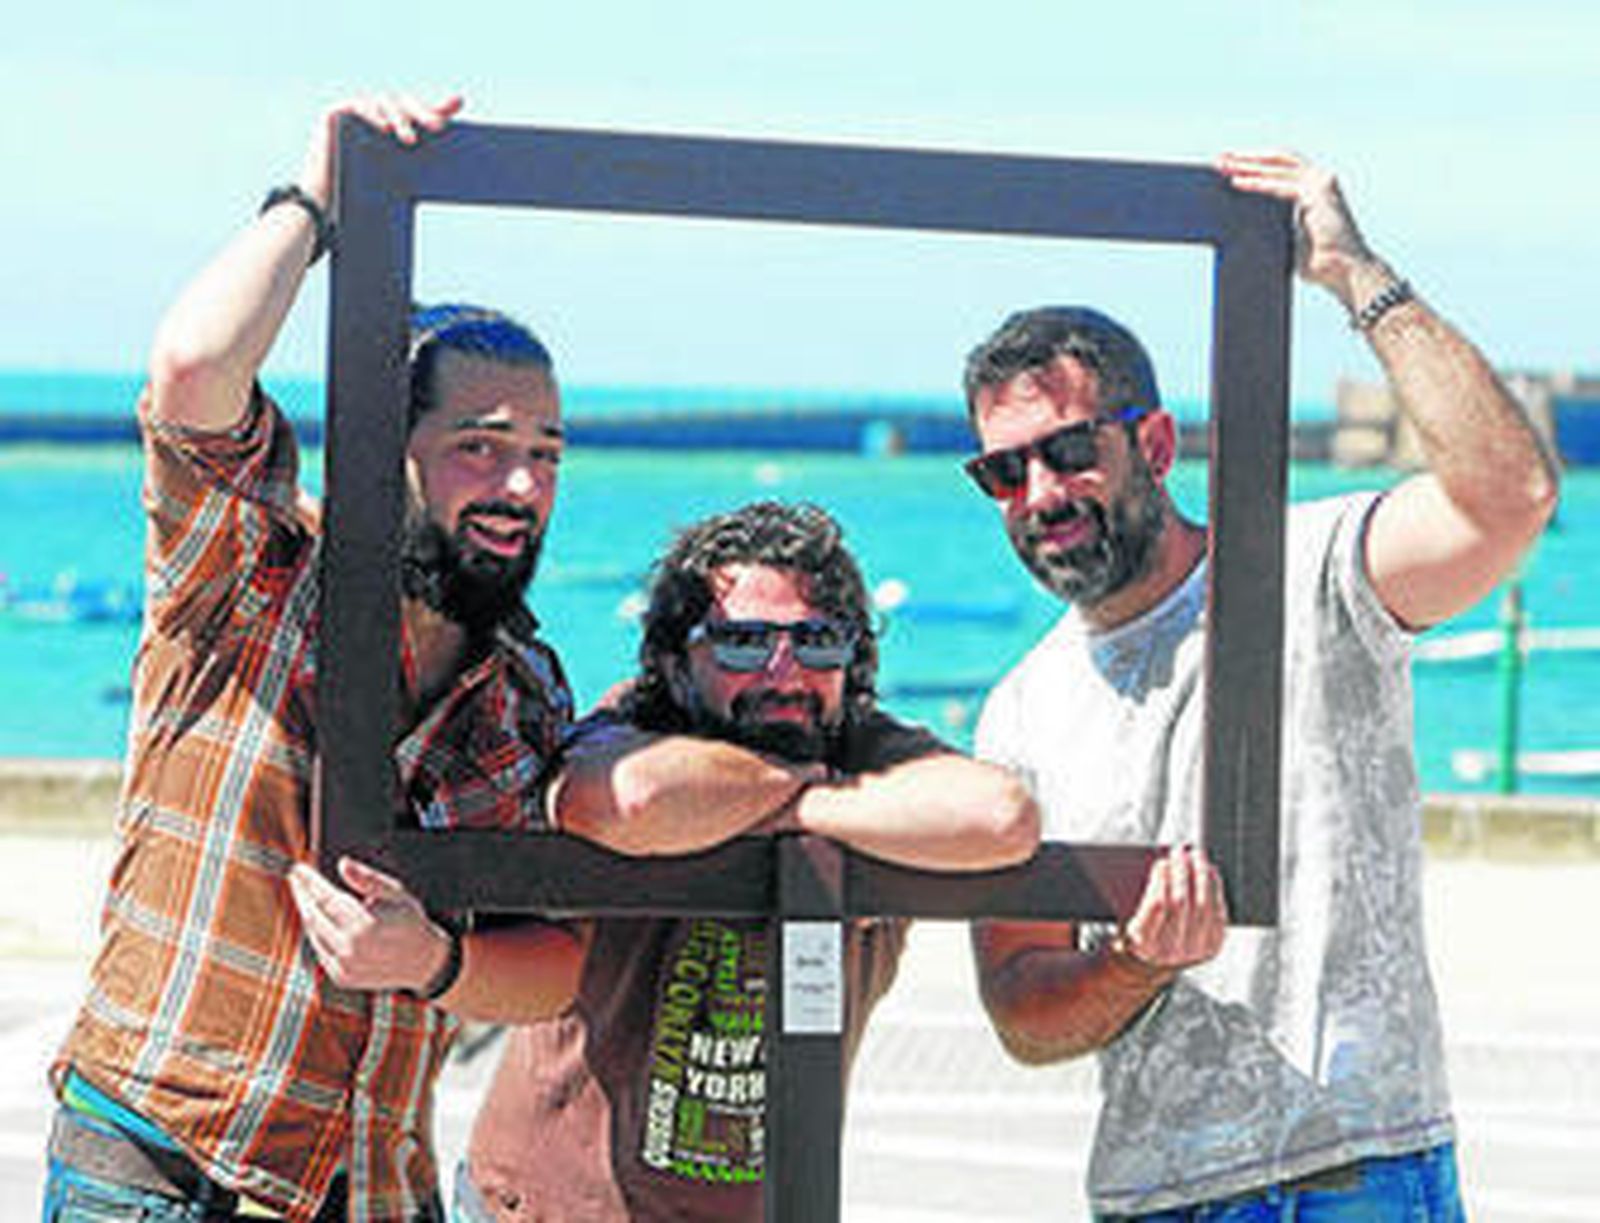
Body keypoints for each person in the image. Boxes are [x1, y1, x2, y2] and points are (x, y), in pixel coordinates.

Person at [964, 150, 1559, 1218]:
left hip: (1361, 1163)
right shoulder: (1019, 709)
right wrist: (1136, 964)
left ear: (1151, 440)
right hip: (1157, 1191)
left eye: (1065, 451)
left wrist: (1352, 275)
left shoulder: (1315, 571)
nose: (1038, 493)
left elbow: (1508, 494)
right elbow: (1020, 1006)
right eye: (1004, 470)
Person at [46, 94, 586, 1222]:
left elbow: (557, 958)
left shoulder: (523, 691)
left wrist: (432, 961)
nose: (521, 487)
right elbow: (194, 366)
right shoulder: (252, 572)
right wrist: (318, 195)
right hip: (163, 1168)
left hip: (375, 1187)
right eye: (479, 447)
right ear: (383, 444)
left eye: (544, 451)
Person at [455, 499, 1040, 1222]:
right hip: (544, 1206)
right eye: (742, 642)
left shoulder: (860, 744)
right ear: (673, 662)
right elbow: (626, 800)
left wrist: (797, 807)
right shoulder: (637, 725)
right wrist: (821, 793)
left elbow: (1001, 816)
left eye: (820, 641)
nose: (784, 671)